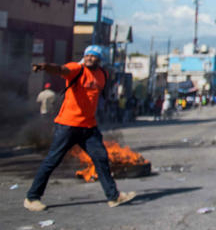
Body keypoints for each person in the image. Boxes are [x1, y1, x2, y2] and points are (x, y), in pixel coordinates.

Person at [24, 45, 136, 211]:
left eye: (94, 56)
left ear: (100, 59)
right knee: (52, 161)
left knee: (101, 159)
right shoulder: (77, 69)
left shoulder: (102, 74)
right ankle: (32, 198)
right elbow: (62, 69)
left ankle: (113, 197)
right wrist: (45, 67)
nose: (90, 58)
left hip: (89, 127)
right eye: (87, 55)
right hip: (67, 126)